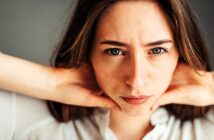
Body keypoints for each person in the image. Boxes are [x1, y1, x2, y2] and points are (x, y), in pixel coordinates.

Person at [0, 0, 214, 140]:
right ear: (87, 53)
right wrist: (52, 83)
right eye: (114, 51)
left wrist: (209, 86)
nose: (136, 80)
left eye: (157, 50)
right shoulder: (32, 121)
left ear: (181, 53)